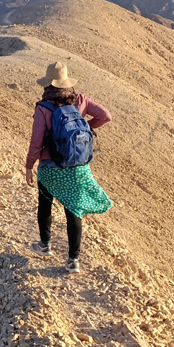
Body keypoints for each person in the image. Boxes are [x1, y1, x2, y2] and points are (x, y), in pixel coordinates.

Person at [25, 62, 113, 273]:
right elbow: (106, 116)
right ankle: (73, 260)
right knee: (73, 208)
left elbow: (36, 141)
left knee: (45, 203)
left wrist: (29, 166)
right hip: (77, 165)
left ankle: (45, 246)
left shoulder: (43, 108)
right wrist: (85, 128)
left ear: (48, 84)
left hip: (50, 167)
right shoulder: (80, 100)